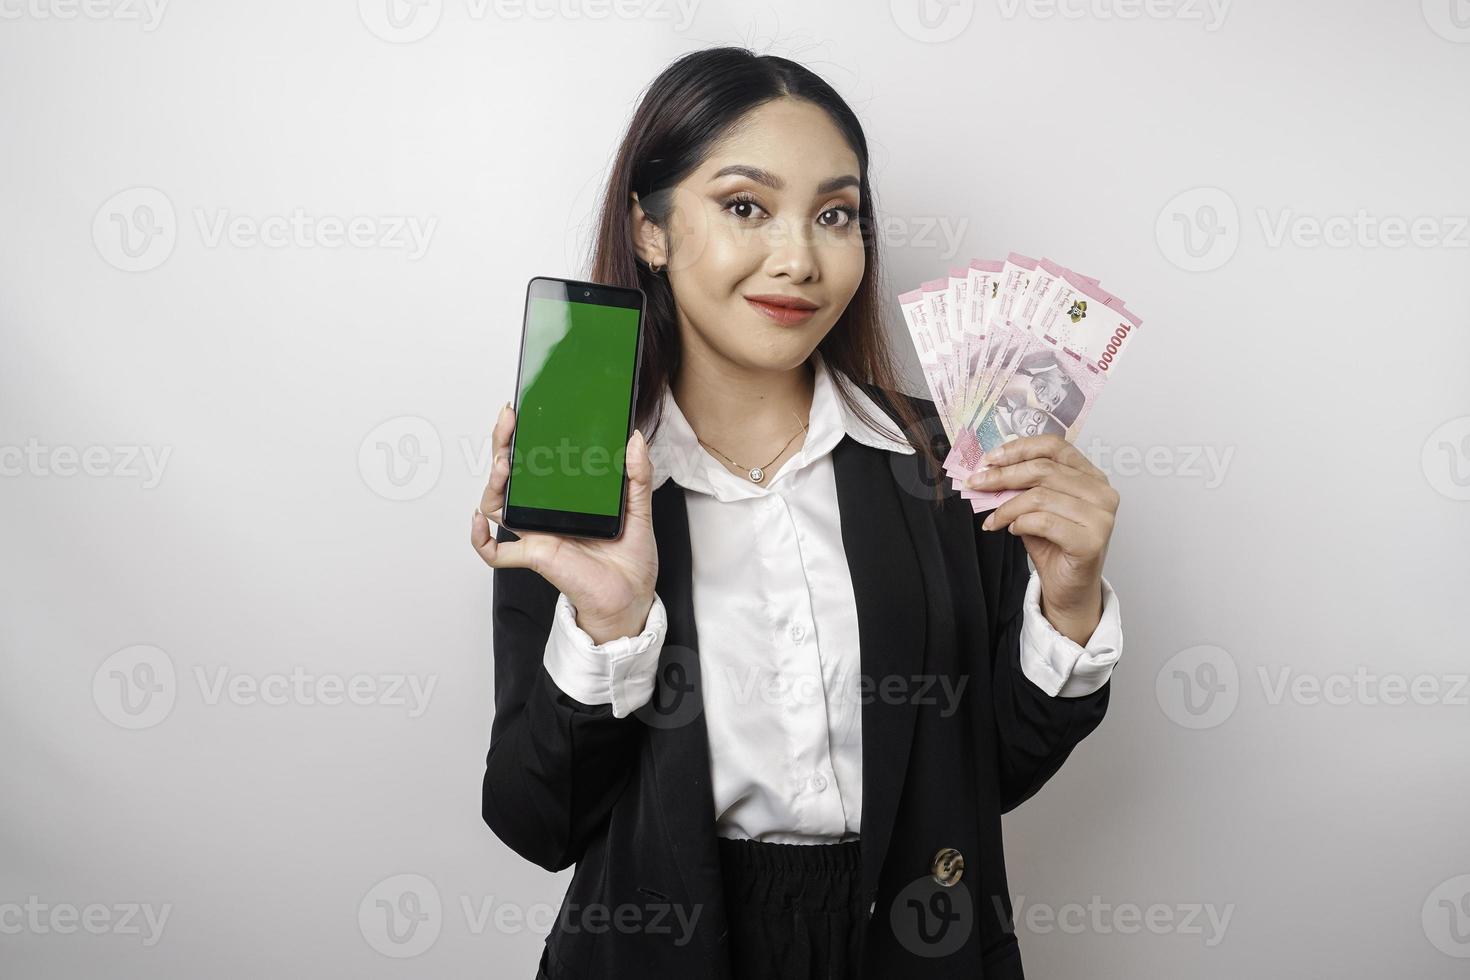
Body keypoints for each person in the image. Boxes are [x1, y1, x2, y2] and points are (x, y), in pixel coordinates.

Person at [469, 46, 1124, 980]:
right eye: (745, 206)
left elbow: (989, 775)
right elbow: (537, 821)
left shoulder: (945, 463)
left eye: (835, 215)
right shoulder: (582, 481)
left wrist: (1067, 607)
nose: (800, 258)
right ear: (649, 230)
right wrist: (608, 626)